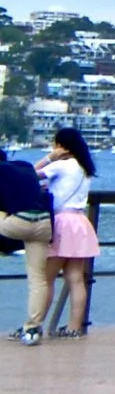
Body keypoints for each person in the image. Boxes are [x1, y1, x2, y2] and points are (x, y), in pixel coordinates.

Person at [37, 128, 97, 339]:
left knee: (47, 278)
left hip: (61, 222)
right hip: (80, 221)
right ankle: (74, 327)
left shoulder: (60, 165)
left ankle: (35, 324)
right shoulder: (84, 168)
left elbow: (28, 176)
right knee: (76, 278)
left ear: (62, 145)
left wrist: (48, 158)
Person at [0, 148, 52, 345]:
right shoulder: (25, 166)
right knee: (38, 278)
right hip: (44, 224)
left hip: (18, 224)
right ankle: (32, 328)